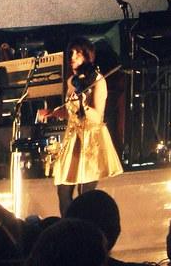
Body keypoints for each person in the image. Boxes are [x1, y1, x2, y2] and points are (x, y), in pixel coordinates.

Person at [40, 37, 122, 215]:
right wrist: (52, 113)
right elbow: (70, 112)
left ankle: (85, 228)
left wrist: (83, 104)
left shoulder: (98, 80)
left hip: (91, 140)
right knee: (63, 189)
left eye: (78, 53)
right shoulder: (72, 81)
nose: (73, 56)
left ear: (87, 55)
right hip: (73, 138)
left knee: (85, 193)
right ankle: (68, 225)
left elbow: (97, 117)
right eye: (71, 53)